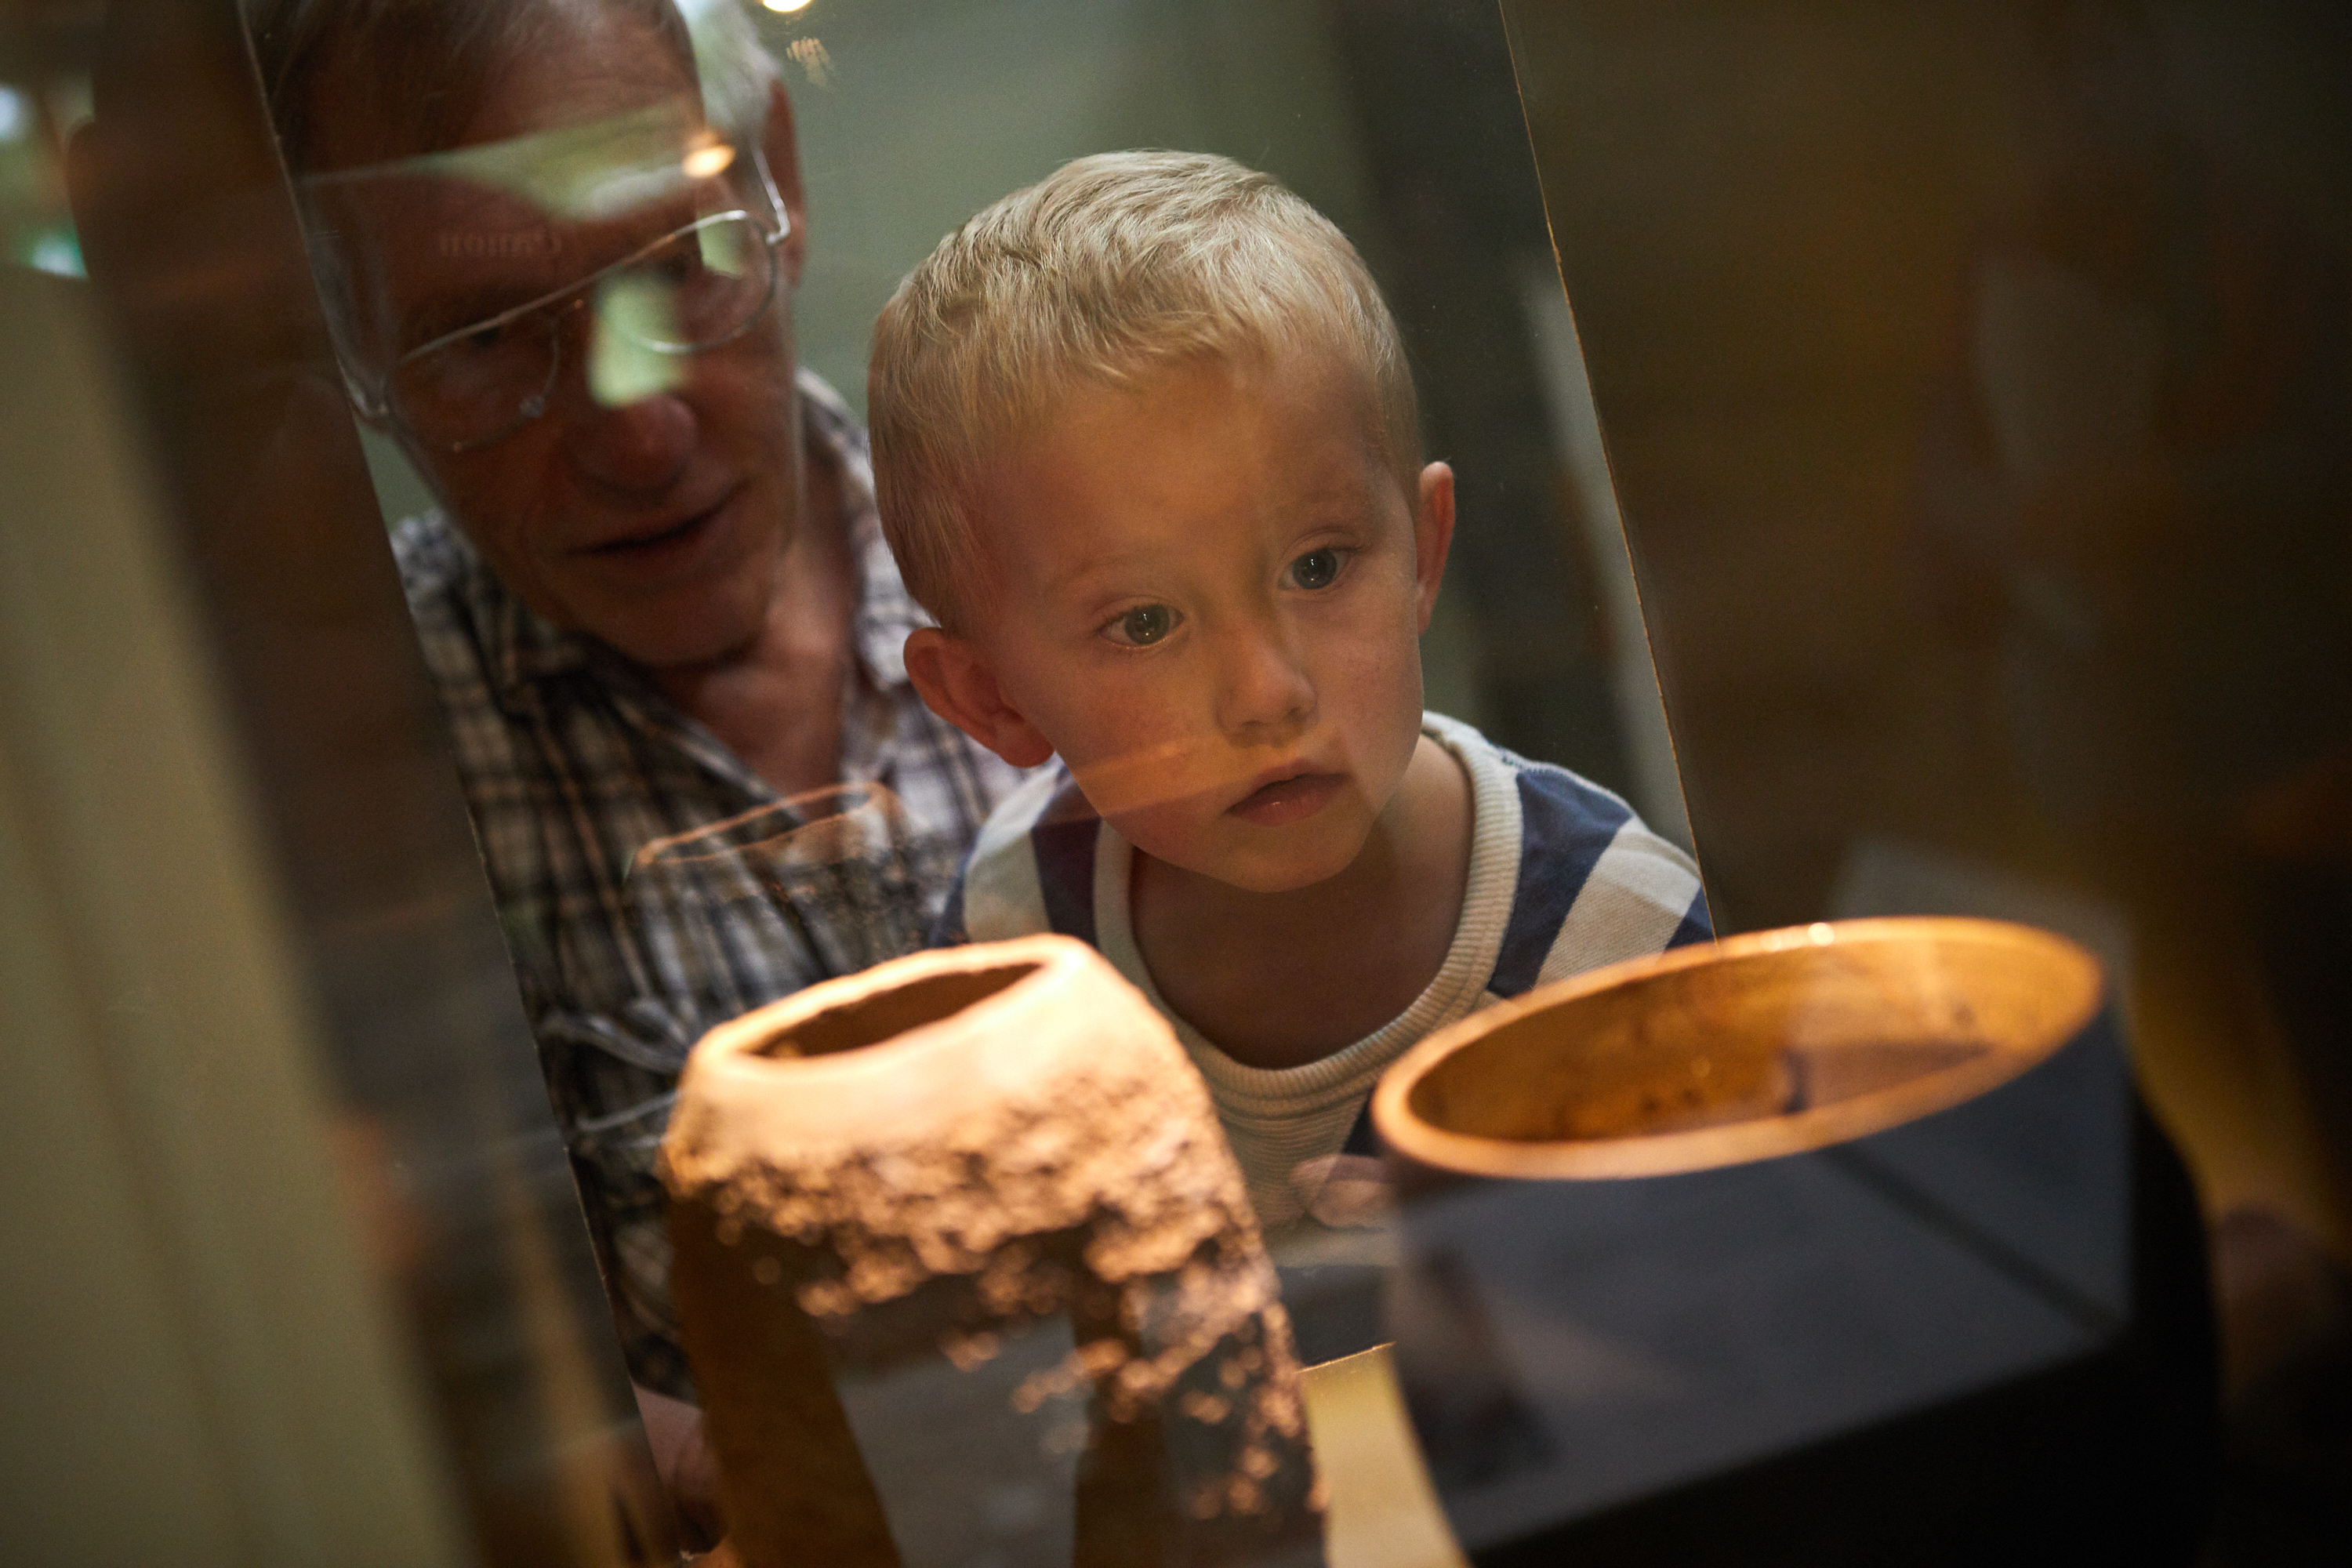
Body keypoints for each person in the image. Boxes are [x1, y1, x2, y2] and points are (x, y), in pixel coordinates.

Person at [241, 0, 1024, 1532]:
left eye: (673, 264)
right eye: (481, 340)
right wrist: (637, 1445)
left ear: (777, 178)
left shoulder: (1050, 554)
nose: (643, 424)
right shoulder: (340, 780)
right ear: (347, 344)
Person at [872, 151, 1713, 1246]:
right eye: (1143, 623)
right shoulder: (1012, 949)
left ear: (1422, 550)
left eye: (1316, 567)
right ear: (991, 698)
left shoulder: (1623, 945)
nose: (1269, 693)